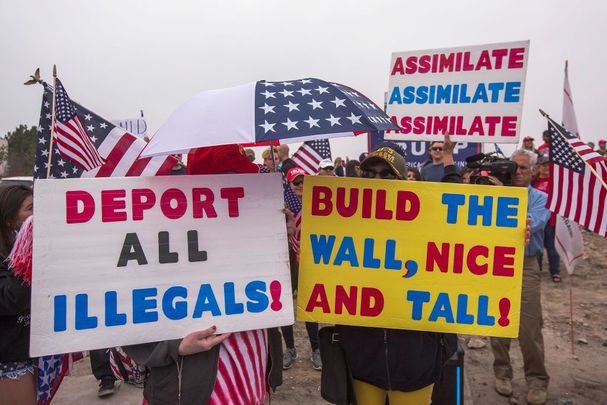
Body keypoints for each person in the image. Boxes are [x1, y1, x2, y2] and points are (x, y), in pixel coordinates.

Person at [124, 145, 284, 405]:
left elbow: (283, 296)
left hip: (251, 381)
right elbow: (120, 317)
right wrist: (175, 345)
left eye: (244, 181)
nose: (241, 192)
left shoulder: (254, 229)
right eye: (230, 183)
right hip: (192, 389)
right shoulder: (162, 237)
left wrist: (281, 239)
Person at [332, 135, 461, 405]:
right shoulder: (342, 224)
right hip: (363, 358)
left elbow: (459, 216)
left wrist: (515, 235)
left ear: (403, 182)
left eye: (386, 175)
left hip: (416, 359)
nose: (377, 181)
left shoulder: (429, 223)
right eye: (370, 173)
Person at [490, 149, 551, 405]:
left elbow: (528, 223)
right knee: (497, 321)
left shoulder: (541, 198)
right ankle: (502, 373)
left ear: (534, 171)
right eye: (513, 167)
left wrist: (504, 197)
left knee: (529, 327)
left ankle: (537, 380)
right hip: (496, 262)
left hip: (526, 264)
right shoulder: (494, 193)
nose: (517, 173)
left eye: (523, 168)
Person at [281, 167, 322, 371]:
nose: (300, 186)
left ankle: (316, 349)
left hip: (309, 258)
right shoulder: (280, 205)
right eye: (295, 182)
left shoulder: (316, 204)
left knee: (309, 305)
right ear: (288, 184)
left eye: (303, 181)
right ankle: (289, 348)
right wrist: (286, 224)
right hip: (285, 258)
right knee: (286, 305)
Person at [0, 185, 35, 405]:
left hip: (28, 354)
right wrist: (28, 250)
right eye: (30, 209)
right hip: (9, 362)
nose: (36, 215)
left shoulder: (16, 249)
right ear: (10, 220)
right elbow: (11, 299)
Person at [532, 156, 561, 282]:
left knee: (552, 247)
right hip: (537, 220)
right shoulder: (533, 182)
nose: (546, 168)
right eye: (544, 166)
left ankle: (555, 272)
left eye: (549, 165)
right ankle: (537, 270)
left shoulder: (556, 182)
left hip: (551, 220)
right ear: (539, 167)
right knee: (537, 246)